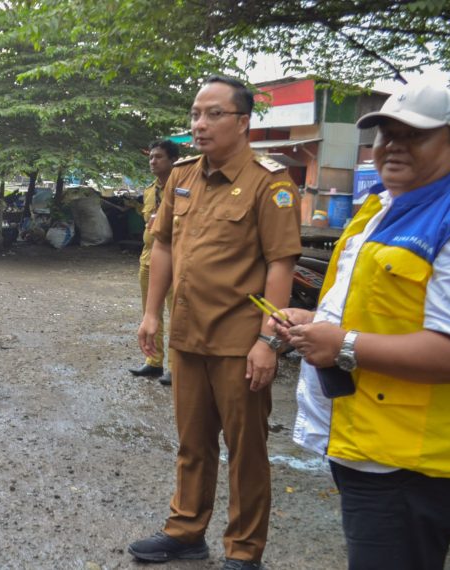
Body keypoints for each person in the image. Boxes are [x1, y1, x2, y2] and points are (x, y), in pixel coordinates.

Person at [270, 83, 450, 570]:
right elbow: (387, 310)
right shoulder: (384, 206)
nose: (394, 145)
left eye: (415, 135)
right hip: (374, 442)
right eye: (386, 134)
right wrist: (317, 322)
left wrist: (343, 344)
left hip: (414, 461)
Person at [130, 75, 301, 570]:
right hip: (187, 335)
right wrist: (151, 313)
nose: (200, 124)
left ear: (243, 121)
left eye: (213, 114)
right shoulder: (182, 176)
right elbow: (163, 245)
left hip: (239, 341)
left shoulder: (270, 183)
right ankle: (186, 531)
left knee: (245, 450)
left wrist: (269, 340)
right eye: (195, 114)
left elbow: (281, 264)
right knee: (192, 442)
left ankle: (244, 551)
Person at [130, 140, 179, 386]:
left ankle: (175, 367)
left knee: (176, 313)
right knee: (151, 311)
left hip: (175, 259)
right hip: (148, 258)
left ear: (173, 160)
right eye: (151, 157)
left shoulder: (183, 189)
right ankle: (154, 361)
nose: (153, 161)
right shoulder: (149, 191)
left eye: (158, 157)